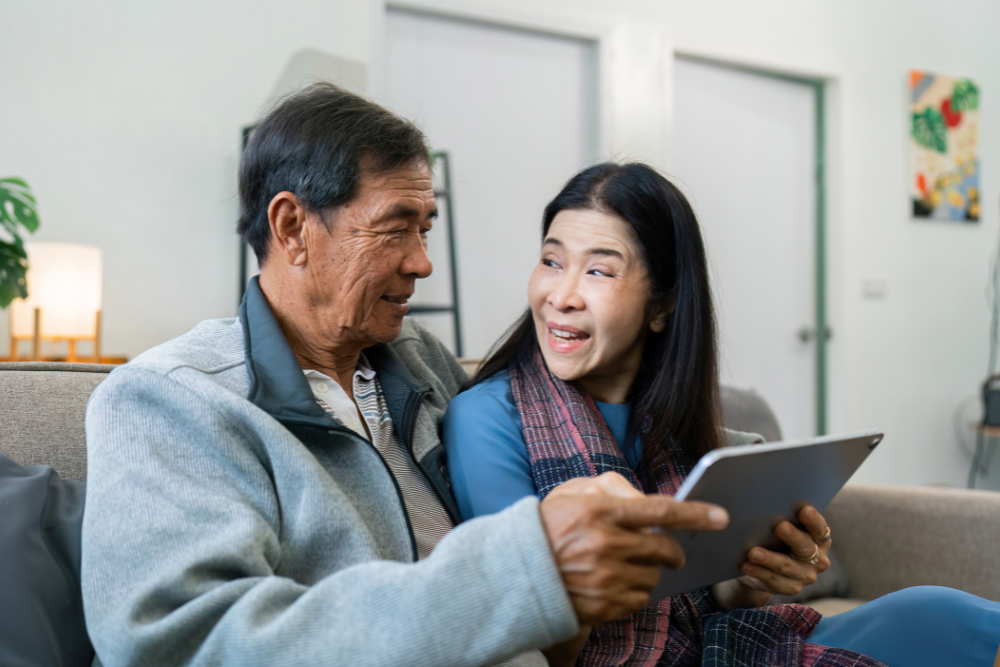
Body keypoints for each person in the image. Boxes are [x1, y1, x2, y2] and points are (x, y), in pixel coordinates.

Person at [80, 85, 734, 667]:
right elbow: (176, 644)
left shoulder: (420, 363)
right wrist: (522, 573)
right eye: (397, 228)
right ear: (292, 227)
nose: (423, 262)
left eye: (426, 228)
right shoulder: (170, 400)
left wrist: (740, 534)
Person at [443, 162, 1000, 667]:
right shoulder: (487, 418)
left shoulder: (679, 424)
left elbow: (708, 603)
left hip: (734, 647)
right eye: (551, 260)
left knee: (936, 613)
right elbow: (533, 642)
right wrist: (577, 571)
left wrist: (750, 576)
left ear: (661, 305)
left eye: (599, 272)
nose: (560, 295)